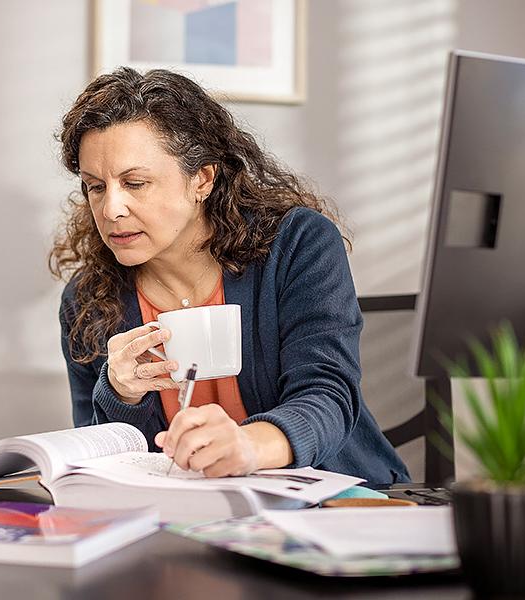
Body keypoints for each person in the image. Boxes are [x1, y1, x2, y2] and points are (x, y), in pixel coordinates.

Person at [50, 67, 410, 484]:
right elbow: (104, 461)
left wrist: (249, 446)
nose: (111, 210)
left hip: (333, 506)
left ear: (201, 178)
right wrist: (120, 396)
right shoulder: (88, 300)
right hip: (187, 520)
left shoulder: (298, 245)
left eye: (135, 183)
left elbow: (327, 396)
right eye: (95, 186)